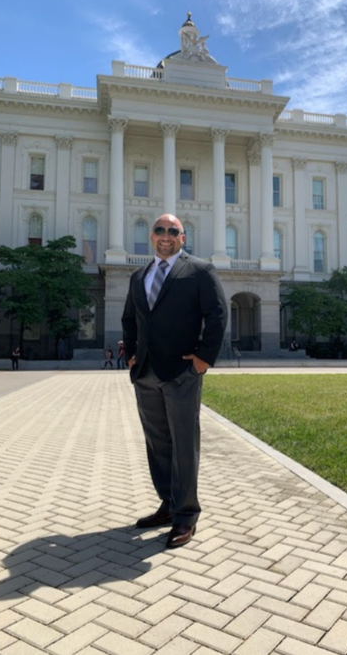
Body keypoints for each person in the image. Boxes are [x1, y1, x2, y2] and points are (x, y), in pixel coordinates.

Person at [122, 213, 228, 549]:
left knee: (184, 444)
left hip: (183, 373)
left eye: (173, 231)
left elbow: (217, 314)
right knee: (158, 443)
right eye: (159, 230)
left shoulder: (199, 271)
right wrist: (132, 355)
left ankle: (186, 515)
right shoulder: (139, 275)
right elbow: (130, 318)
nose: (165, 235)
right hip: (147, 374)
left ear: (183, 238)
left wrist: (203, 358)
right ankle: (167, 505)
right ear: (151, 236)